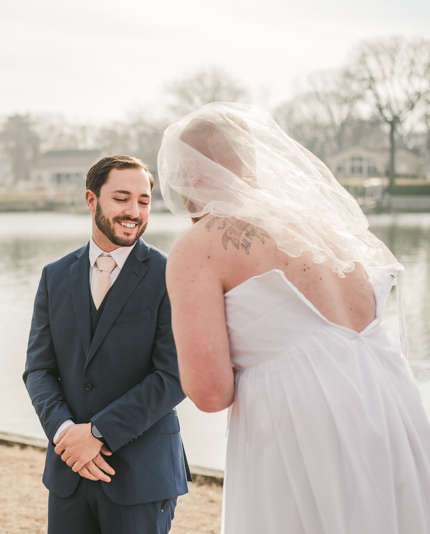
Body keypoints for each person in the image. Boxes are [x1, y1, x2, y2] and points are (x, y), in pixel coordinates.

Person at [160, 102, 430, 533]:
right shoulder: (324, 226)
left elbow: (210, 393)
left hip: (307, 425)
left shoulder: (199, 246)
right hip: (392, 404)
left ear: (192, 173)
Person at [23, 155, 190, 534]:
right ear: (91, 200)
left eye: (144, 201)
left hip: (142, 476)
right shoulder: (55, 276)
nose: (134, 211)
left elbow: (175, 375)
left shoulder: (171, 275)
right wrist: (66, 433)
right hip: (68, 474)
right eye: (121, 198)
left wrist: (97, 433)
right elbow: (39, 369)